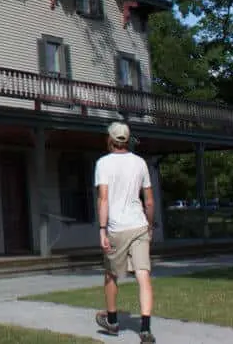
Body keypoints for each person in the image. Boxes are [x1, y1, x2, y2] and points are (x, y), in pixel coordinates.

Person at [94, 121, 156, 343]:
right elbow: (149, 201)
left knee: (111, 274)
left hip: (117, 227)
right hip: (139, 225)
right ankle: (146, 328)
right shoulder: (140, 163)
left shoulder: (103, 164)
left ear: (110, 139)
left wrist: (102, 230)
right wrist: (149, 226)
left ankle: (112, 321)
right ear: (127, 139)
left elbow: (104, 198)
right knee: (143, 275)